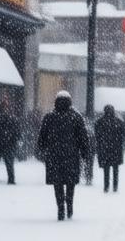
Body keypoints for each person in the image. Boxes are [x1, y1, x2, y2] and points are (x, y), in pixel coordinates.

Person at [38, 91, 90, 220]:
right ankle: (69, 206)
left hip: (54, 156)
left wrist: (42, 149)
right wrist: (84, 152)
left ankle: (60, 208)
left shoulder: (49, 117)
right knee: (70, 183)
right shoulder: (76, 117)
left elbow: (42, 137)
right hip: (71, 156)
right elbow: (83, 137)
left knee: (58, 183)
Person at [94, 104, 125, 193]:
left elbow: (97, 136)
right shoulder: (119, 122)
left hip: (105, 149)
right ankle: (115, 186)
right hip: (116, 149)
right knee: (115, 169)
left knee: (106, 169)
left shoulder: (99, 122)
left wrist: (101, 145)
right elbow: (122, 136)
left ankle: (106, 186)